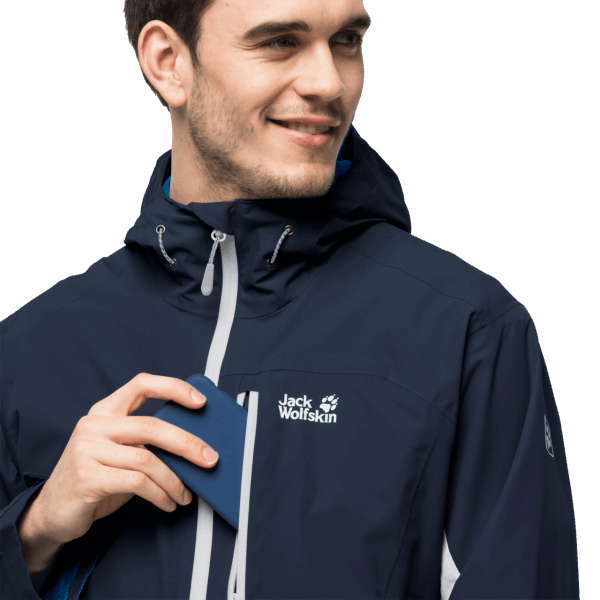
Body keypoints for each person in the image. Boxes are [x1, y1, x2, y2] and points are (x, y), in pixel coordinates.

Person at [0, 0, 579, 598]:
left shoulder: (467, 331)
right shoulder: (27, 352)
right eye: (280, 41)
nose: (329, 83)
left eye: (347, 41)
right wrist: (34, 535)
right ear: (169, 61)